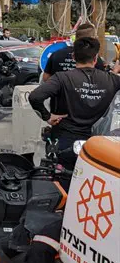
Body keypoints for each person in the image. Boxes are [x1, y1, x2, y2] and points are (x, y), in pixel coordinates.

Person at [29, 37, 120, 180]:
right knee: (93, 183)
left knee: (63, 183)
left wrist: (47, 116)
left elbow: (35, 97)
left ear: (73, 57)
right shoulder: (112, 80)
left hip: (65, 140)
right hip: (98, 143)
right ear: (96, 58)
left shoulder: (62, 78)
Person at [42, 23, 116, 81]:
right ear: (92, 38)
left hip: (60, 99)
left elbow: (45, 78)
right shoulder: (94, 58)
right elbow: (101, 82)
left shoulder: (56, 54)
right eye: (95, 36)